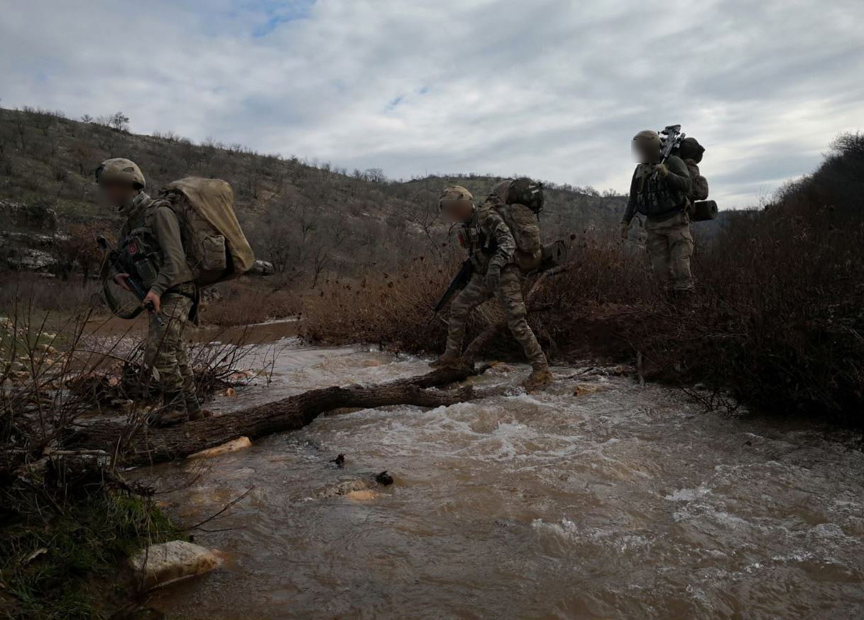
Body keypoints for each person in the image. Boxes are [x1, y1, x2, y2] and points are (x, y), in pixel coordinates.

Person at [95, 158, 203, 422]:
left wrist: (155, 290)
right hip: (160, 293)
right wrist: (122, 276)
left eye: (110, 186)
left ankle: (175, 405)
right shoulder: (129, 225)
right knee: (174, 350)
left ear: (126, 185)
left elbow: (175, 260)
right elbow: (134, 262)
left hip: (177, 289)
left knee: (158, 348)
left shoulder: (159, 213)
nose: (107, 193)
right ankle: (192, 410)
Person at [431, 185, 552, 390]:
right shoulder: (467, 226)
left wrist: (496, 265)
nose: (453, 214)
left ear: (465, 205)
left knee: (517, 321)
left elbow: (508, 242)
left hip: (505, 274)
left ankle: (542, 370)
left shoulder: (488, 217)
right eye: (450, 210)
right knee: (459, 307)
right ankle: (451, 356)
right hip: (483, 276)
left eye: (455, 209)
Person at [620, 130, 694, 296]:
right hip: (653, 226)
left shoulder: (673, 162)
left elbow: (687, 185)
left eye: (643, 149)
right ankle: (667, 309)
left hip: (676, 222)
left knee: (680, 266)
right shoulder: (640, 171)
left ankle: (686, 308)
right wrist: (625, 222)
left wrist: (666, 174)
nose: (640, 153)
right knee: (660, 270)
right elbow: (634, 198)